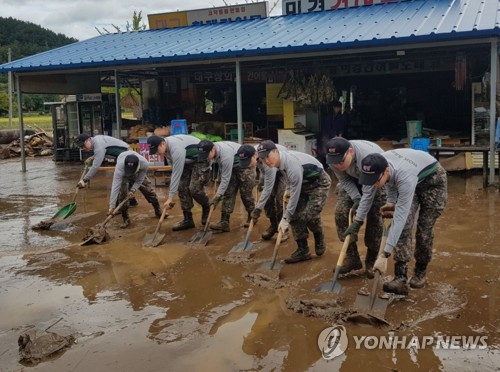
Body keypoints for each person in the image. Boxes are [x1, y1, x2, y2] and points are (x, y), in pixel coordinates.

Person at [355, 149, 447, 295]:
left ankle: (420, 270)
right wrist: (390, 201)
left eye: (375, 182)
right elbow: (391, 181)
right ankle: (400, 278)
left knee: (424, 229)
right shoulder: (376, 165)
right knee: (404, 227)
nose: (372, 185)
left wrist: (385, 253)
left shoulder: (405, 176)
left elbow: (401, 216)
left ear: (385, 171)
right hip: (410, 179)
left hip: (432, 182)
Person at [258, 140, 331, 263]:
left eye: (268, 156)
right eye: (263, 158)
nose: (266, 161)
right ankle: (303, 250)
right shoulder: (278, 162)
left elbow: (295, 194)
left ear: (276, 152)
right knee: (295, 215)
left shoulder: (291, 164)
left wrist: (285, 218)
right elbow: (289, 181)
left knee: (309, 215)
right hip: (302, 183)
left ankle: (319, 235)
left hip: (318, 183)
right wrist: (287, 191)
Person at [326, 137, 386, 278]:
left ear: (351, 152)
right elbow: (344, 180)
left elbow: (369, 192)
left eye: (341, 161)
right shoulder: (334, 160)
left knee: (375, 218)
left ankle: (371, 260)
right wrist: (356, 198)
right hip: (354, 180)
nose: (338, 165)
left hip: (376, 180)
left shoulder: (366, 157)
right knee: (341, 212)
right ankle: (352, 257)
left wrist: (358, 221)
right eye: (334, 162)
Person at [75, 133, 158, 213]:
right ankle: (130, 202)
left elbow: (95, 166)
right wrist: (93, 157)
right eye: (81, 147)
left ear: (89, 140)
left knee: (142, 183)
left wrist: (85, 180)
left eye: (83, 145)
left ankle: (157, 208)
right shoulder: (96, 140)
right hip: (121, 158)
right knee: (123, 184)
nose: (83, 148)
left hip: (129, 157)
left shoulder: (98, 145)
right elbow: (103, 151)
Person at [147, 135, 211, 231]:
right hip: (186, 160)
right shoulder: (166, 149)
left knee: (194, 188)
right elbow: (174, 168)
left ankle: (206, 206)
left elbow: (176, 174)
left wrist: (170, 197)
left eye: (157, 149)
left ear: (163, 143)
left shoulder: (176, 149)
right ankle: (188, 219)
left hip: (200, 159)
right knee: (182, 187)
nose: (156, 153)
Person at [197, 140, 256, 232]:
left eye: (206, 155)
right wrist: (220, 194)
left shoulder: (225, 154)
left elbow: (225, 179)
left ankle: (252, 215)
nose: (206, 158)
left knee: (245, 193)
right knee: (228, 192)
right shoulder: (214, 149)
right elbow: (223, 172)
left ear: (212, 150)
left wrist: (217, 196)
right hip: (231, 166)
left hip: (245, 165)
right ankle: (224, 222)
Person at [237, 144, 288, 241]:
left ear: (255, 156)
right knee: (268, 201)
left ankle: (283, 230)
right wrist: (261, 182)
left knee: (280, 200)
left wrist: (257, 210)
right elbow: (262, 171)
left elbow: (268, 188)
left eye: (248, 162)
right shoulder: (252, 153)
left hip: (283, 171)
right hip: (272, 170)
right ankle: (274, 225)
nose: (247, 165)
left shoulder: (267, 160)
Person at [108, 151, 161, 228]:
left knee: (148, 189)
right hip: (124, 174)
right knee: (123, 194)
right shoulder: (120, 167)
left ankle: (158, 211)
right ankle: (125, 218)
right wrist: (112, 206)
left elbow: (139, 180)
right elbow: (115, 186)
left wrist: (133, 190)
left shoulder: (144, 164)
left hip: (138, 173)